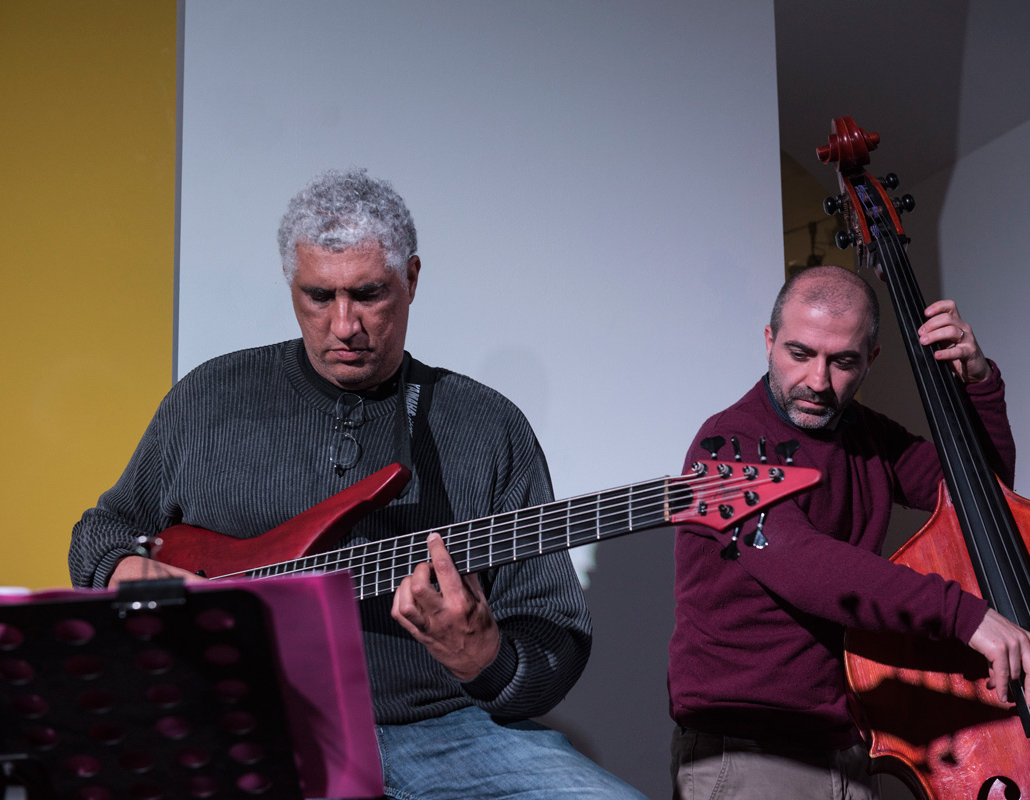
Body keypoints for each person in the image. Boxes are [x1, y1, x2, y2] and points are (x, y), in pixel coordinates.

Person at [69, 168, 646, 800]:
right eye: (319, 297)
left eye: (368, 294)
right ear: (291, 284)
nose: (344, 325)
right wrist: (127, 570)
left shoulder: (488, 425)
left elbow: (554, 632)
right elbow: (102, 532)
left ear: (412, 280)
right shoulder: (209, 398)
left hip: (443, 733)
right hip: (243, 718)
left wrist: (486, 659)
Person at [667, 265, 1030, 800]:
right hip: (751, 751)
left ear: (870, 360)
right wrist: (965, 615)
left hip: (850, 746)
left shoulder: (867, 436)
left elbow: (984, 500)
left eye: (842, 362)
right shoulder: (727, 443)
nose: (818, 381)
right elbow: (805, 564)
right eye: (799, 354)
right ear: (769, 341)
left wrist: (980, 385)